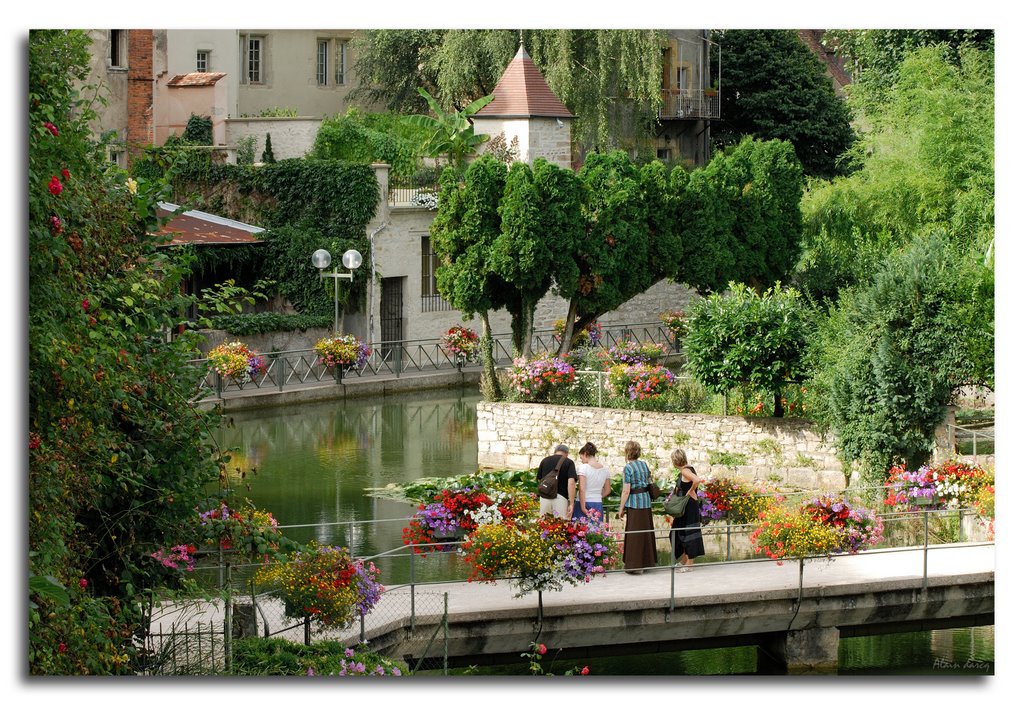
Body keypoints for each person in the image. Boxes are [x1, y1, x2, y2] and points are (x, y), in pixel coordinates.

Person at [616, 440, 657, 574]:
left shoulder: (628, 468)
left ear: (627, 452)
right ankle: (647, 562)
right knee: (646, 532)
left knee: (634, 534)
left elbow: (626, 490)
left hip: (634, 503)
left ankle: (635, 565)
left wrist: (621, 508)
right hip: (646, 501)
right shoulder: (644, 465)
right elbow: (649, 481)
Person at [666, 449, 705, 572]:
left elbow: (697, 480)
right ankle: (684, 561)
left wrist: (691, 490)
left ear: (675, 461)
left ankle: (689, 565)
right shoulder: (689, 468)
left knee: (688, 533)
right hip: (688, 506)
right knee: (679, 533)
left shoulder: (685, 470)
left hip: (688, 506)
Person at [573, 441, 611, 522]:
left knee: (579, 530)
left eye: (582, 458)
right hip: (597, 502)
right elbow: (608, 490)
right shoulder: (605, 470)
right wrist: (597, 496)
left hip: (583, 502)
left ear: (586, 454)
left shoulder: (583, 468)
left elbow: (582, 489)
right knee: (595, 530)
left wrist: (583, 507)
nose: (582, 461)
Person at [536, 443, 577, 518]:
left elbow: (540, 480)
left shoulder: (545, 460)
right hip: (560, 498)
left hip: (545, 497)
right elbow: (571, 483)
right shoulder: (568, 462)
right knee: (560, 526)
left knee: (543, 524)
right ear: (567, 453)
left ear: (555, 452)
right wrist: (571, 503)